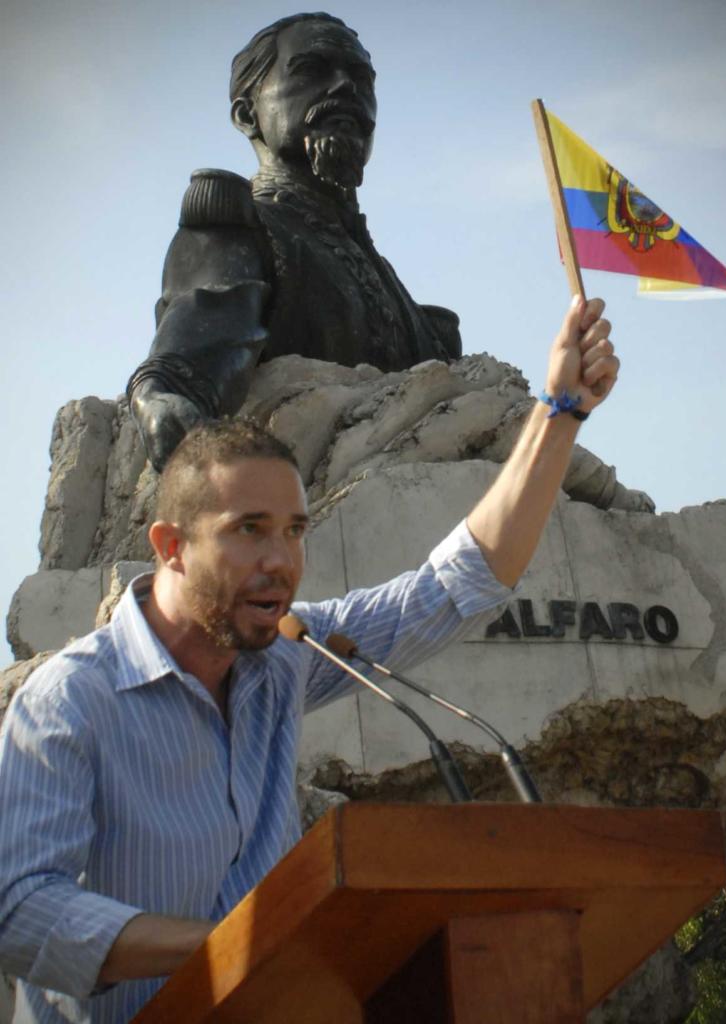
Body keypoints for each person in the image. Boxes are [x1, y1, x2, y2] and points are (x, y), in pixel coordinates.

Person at [0, 296, 618, 1022]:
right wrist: (234, 946)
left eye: (294, 531)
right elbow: (19, 911)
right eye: (249, 530)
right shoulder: (70, 700)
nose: (280, 561)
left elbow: (456, 585)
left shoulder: (286, 657)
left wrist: (560, 411)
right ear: (170, 546)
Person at [128, 12, 461, 473]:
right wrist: (164, 397)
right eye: (311, 69)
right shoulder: (242, 227)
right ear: (248, 115)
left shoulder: (399, 295)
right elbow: (192, 359)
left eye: (362, 79)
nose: (346, 87)